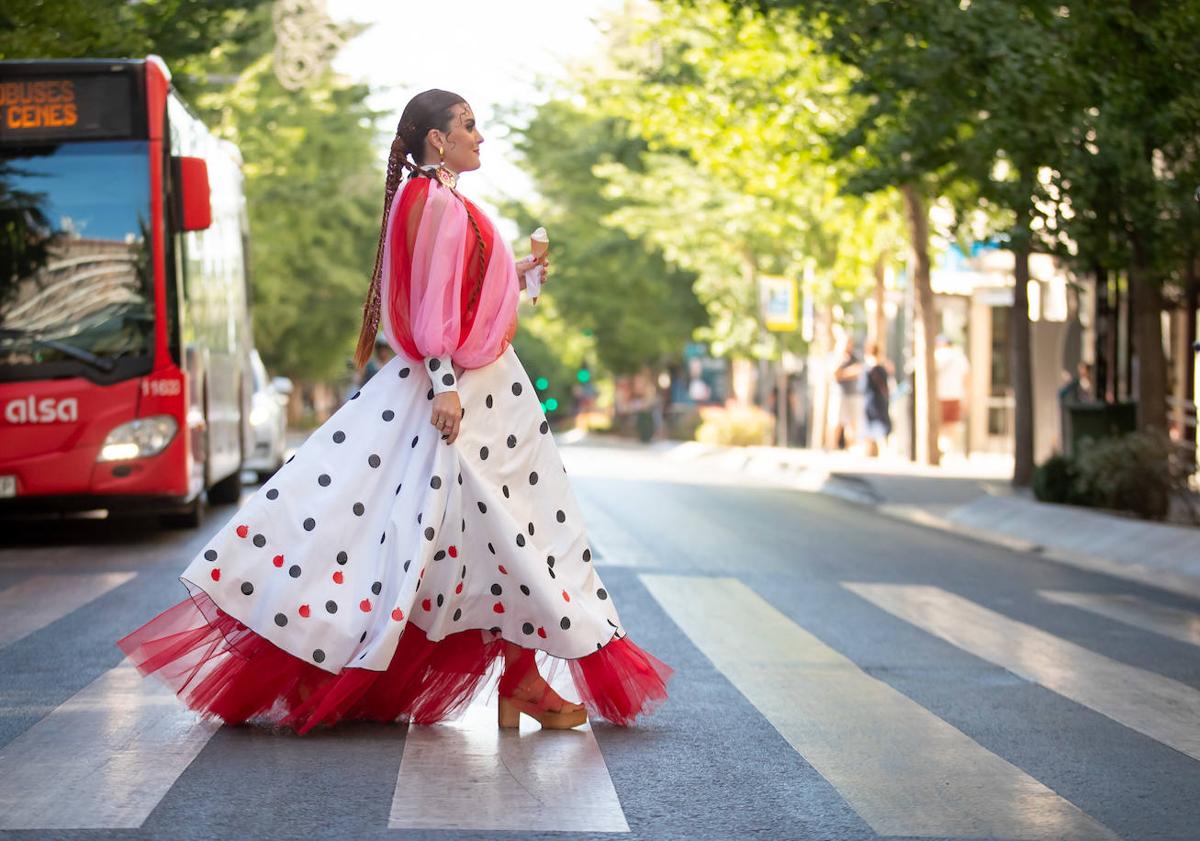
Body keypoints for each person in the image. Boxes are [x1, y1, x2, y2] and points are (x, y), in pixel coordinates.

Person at [115, 89, 674, 733]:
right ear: (437, 139)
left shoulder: (442, 199)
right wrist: (443, 384)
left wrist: (519, 270)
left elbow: (456, 289)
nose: (480, 137)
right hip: (462, 393)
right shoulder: (432, 200)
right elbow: (429, 307)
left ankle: (519, 680)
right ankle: (507, 681)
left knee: (496, 536)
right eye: (469, 125)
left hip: (480, 391)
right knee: (486, 535)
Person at [934, 334, 969, 457]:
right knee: (951, 425)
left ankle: (941, 448)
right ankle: (948, 450)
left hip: (939, 395)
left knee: (939, 424)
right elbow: (966, 378)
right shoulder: (960, 356)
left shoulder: (936, 355)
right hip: (955, 395)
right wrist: (966, 397)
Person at [828, 335, 862, 450]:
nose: (849, 346)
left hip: (853, 394)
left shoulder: (855, 357)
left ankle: (850, 447)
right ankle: (832, 447)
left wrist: (843, 374)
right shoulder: (835, 357)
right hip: (839, 394)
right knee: (836, 421)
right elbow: (834, 374)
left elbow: (858, 371)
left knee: (852, 423)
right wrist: (844, 368)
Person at [861, 341, 892, 457]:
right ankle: (880, 452)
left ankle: (870, 452)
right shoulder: (882, 368)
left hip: (870, 400)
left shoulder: (868, 368)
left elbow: (863, 386)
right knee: (880, 425)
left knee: (872, 425)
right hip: (881, 400)